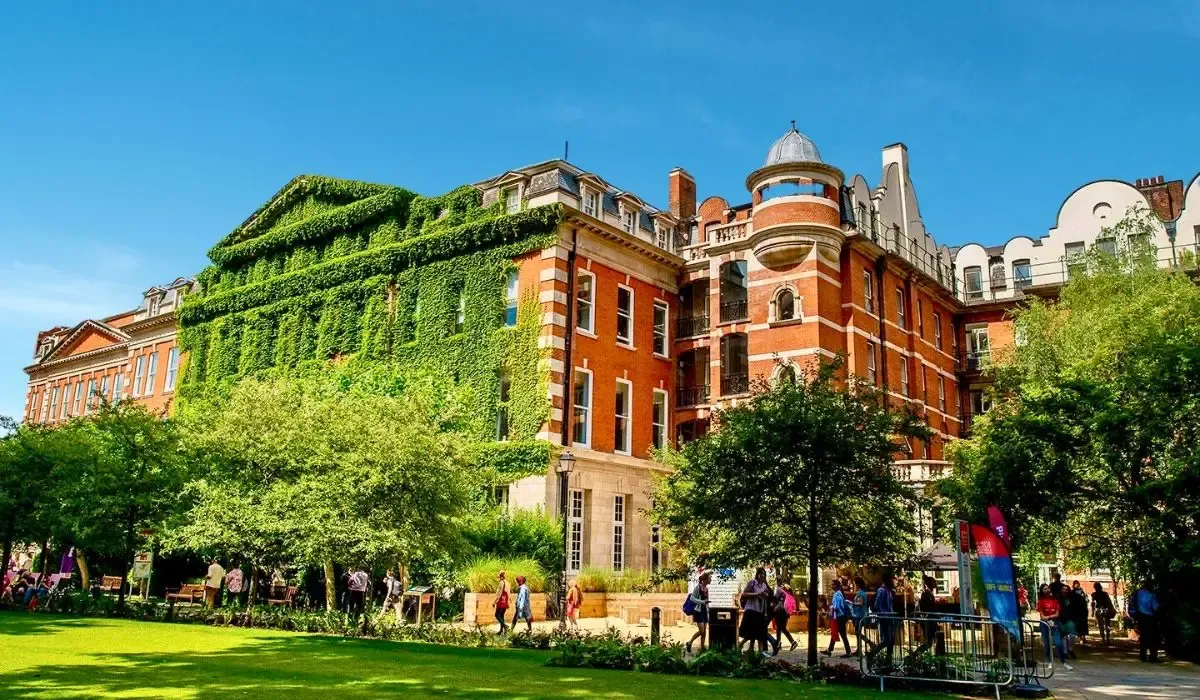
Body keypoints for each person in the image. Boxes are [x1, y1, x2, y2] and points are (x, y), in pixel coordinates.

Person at [1037, 584, 1073, 670]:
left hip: (1055, 623)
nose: (1047, 590)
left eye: (1048, 588)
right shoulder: (1040, 601)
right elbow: (1042, 617)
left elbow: (1057, 614)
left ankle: (1063, 662)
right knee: (1047, 644)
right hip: (1044, 624)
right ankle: (1049, 661)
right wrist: (1049, 617)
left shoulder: (1055, 600)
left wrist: (1049, 617)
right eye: (1045, 589)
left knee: (1058, 643)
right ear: (1042, 591)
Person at [738, 568, 772, 656]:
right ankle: (739, 646)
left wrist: (765, 595)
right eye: (761, 574)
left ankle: (755, 650)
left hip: (759, 611)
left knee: (758, 632)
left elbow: (767, 596)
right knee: (750, 633)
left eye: (764, 574)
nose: (763, 576)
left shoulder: (764, 586)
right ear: (757, 575)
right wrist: (756, 594)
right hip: (750, 610)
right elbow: (745, 594)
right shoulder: (752, 583)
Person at [865, 574, 896, 671]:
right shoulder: (882, 590)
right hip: (884, 618)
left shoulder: (889, 591)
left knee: (890, 640)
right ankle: (872, 654)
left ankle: (888, 661)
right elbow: (878, 605)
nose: (895, 581)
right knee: (886, 640)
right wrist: (884, 614)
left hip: (890, 618)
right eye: (893, 579)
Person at [822, 579, 853, 657]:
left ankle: (848, 652)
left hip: (839, 617)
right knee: (835, 632)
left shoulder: (836, 594)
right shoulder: (840, 593)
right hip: (841, 616)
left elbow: (837, 606)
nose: (832, 586)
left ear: (837, 586)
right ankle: (829, 650)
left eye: (833, 584)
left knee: (842, 634)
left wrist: (832, 607)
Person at [1131, 582, 1161, 663]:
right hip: (1150, 617)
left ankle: (1143, 656)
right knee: (1153, 637)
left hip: (1140, 616)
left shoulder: (1137, 593)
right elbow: (1155, 606)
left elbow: (1132, 603)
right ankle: (1153, 657)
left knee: (1143, 636)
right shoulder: (1152, 594)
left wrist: (1133, 616)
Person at [685, 571, 710, 654]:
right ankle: (689, 642)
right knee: (701, 631)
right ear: (704, 580)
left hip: (704, 611)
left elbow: (706, 601)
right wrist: (702, 602)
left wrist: (708, 610)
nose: (710, 580)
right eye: (709, 579)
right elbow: (692, 598)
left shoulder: (706, 589)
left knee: (705, 631)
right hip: (698, 610)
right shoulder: (698, 588)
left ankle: (702, 648)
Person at [771, 581, 797, 654]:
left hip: (779, 611)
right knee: (780, 628)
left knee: (781, 628)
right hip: (786, 613)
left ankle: (791, 642)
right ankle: (779, 644)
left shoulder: (779, 590)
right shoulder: (789, 594)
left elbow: (775, 599)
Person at [851, 576, 870, 655]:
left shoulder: (860, 593)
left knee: (857, 632)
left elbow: (860, 603)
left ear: (857, 585)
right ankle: (859, 649)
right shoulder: (864, 593)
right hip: (863, 614)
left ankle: (869, 643)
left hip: (859, 615)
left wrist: (852, 603)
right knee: (858, 632)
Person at [1069, 581, 1090, 646]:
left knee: (1084, 624)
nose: (1077, 585)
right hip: (1076, 611)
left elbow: (1086, 600)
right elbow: (1071, 602)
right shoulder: (1072, 592)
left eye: (1078, 584)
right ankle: (1081, 638)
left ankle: (1083, 638)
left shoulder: (1082, 592)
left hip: (1083, 611)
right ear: (1074, 585)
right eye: (1076, 584)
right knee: (1079, 625)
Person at [494, 570, 510, 635]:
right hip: (505, 601)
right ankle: (501, 631)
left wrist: (495, 601)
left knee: (497, 615)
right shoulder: (507, 583)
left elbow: (500, 593)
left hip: (501, 601)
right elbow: (508, 593)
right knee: (502, 616)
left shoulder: (501, 582)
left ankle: (505, 626)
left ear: (500, 576)